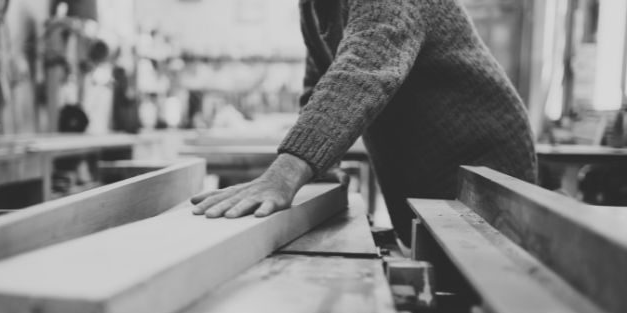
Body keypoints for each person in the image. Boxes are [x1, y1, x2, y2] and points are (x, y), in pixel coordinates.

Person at [190, 0, 536, 245]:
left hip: (484, 170)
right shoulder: (312, 6)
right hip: (425, 180)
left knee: (479, 297)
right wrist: (319, 169)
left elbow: (366, 67)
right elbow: (319, 82)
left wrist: (285, 173)